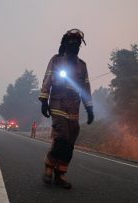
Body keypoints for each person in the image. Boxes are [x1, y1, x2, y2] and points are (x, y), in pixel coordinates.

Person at [39, 29, 94, 189]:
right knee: (61, 136)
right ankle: (49, 168)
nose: (74, 45)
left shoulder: (82, 66)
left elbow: (85, 88)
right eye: (71, 42)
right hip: (57, 104)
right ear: (65, 44)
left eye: (77, 43)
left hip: (73, 108)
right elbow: (48, 78)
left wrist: (89, 108)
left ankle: (60, 174)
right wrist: (44, 100)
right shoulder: (56, 61)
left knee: (70, 140)